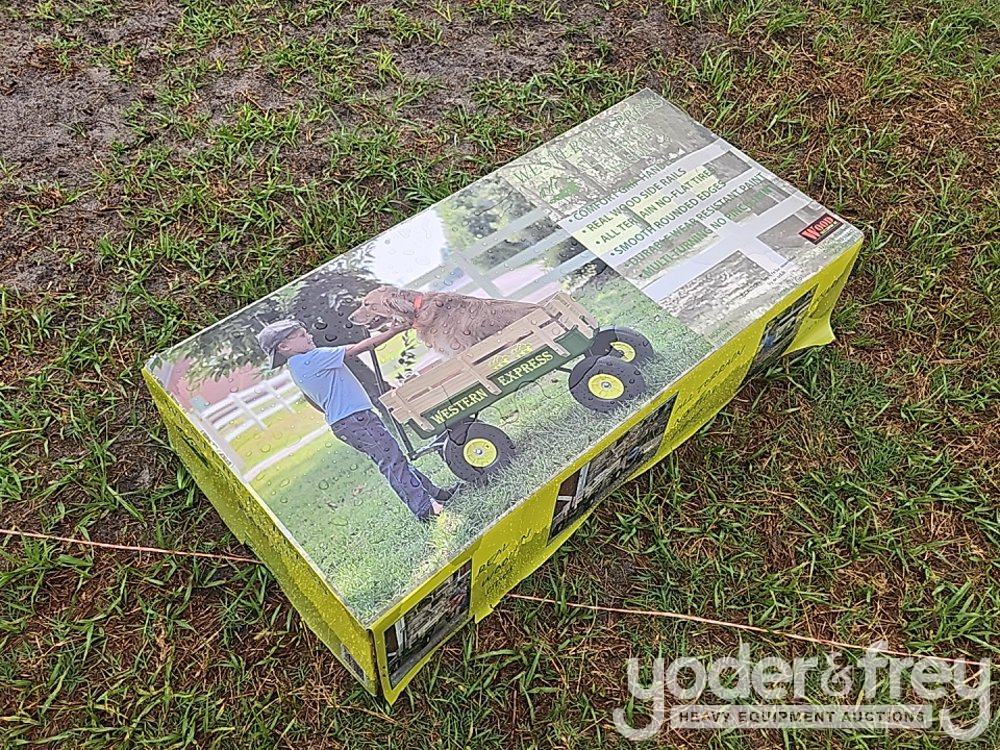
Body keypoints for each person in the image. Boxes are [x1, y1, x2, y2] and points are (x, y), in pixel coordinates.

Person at [257, 319, 452, 522]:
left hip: (346, 422)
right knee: (392, 462)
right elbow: (356, 349)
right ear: (284, 346)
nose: (310, 336)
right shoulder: (312, 358)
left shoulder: (296, 368)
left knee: (393, 458)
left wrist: (335, 409)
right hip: (357, 420)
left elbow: (311, 399)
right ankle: (425, 509)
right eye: (301, 335)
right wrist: (393, 331)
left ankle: (436, 495)